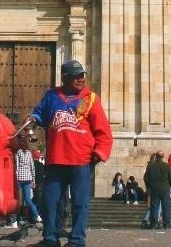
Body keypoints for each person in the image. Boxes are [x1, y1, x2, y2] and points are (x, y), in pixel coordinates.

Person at [26, 58, 112, 247]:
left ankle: (77, 240)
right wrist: (33, 118)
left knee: (80, 203)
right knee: (50, 201)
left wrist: (100, 152)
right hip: (56, 159)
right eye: (75, 76)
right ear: (64, 78)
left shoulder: (91, 99)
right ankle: (50, 238)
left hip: (82, 160)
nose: (81, 79)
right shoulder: (52, 96)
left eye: (82, 75)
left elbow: (103, 131)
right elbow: (40, 113)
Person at [142, 151, 171, 232]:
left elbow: (146, 178)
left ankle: (153, 224)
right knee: (166, 207)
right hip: (165, 189)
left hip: (154, 189)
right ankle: (166, 225)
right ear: (163, 157)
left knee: (154, 207)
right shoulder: (167, 165)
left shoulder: (151, 166)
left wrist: (150, 185)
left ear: (156, 156)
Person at [14, 133, 42, 226]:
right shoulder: (29, 153)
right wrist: (33, 179)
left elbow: (17, 166)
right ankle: (37, 215)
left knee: (18, 200)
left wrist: (15, 176)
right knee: (28, 200)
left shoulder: (18, 152)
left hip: (19, 178)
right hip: (28, 178)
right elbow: (32, 167)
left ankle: (16, 220)